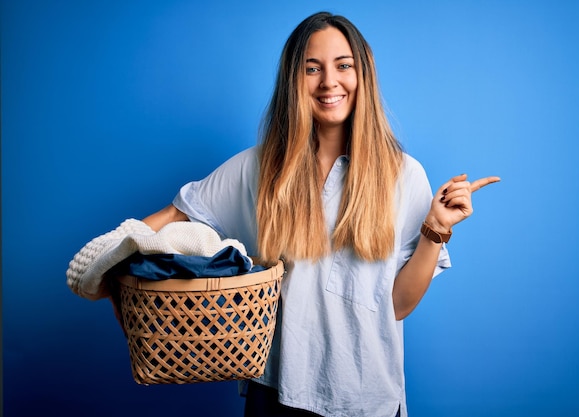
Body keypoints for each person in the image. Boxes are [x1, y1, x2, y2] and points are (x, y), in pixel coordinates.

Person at [139, 11, 499, 417]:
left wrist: (435, 230)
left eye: (343, 65)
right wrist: (113, 254)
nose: (330, 81)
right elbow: (174, 215)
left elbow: (396, 305)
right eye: (313, 68)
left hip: (368, 401)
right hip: (275, 394)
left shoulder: (404, 175)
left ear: (363, 74)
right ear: (294, 80)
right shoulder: (259, 169)